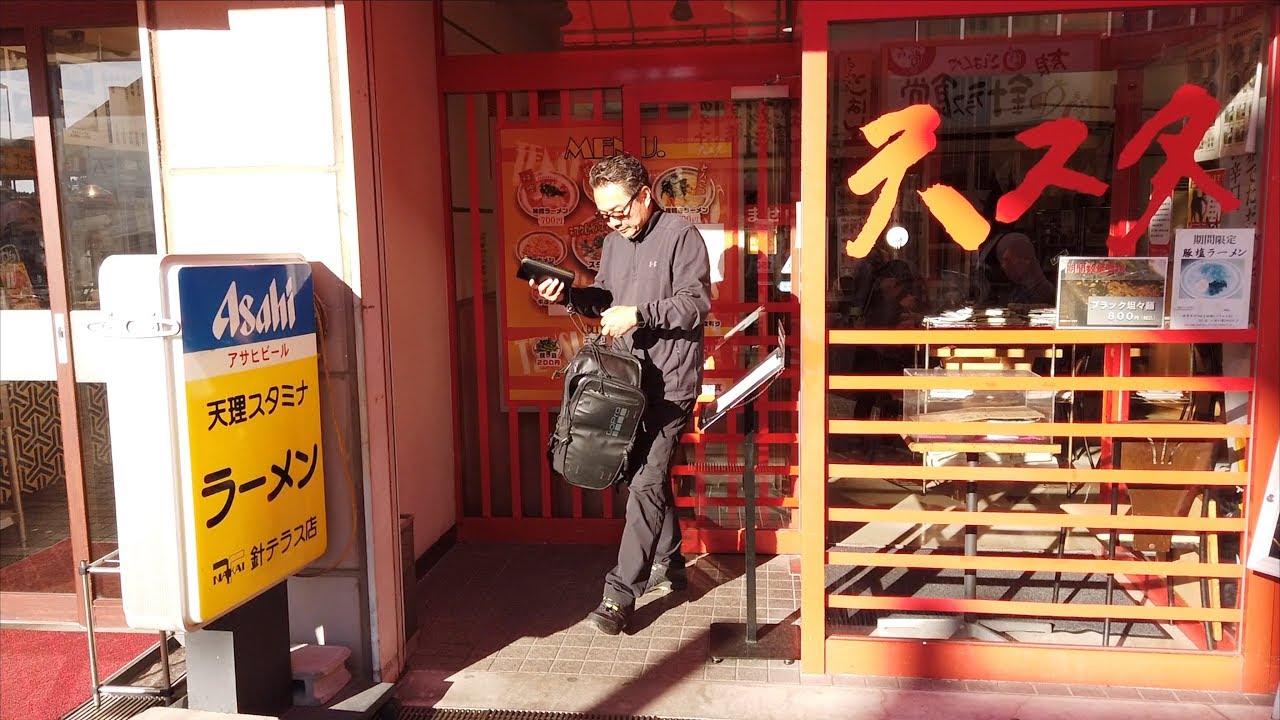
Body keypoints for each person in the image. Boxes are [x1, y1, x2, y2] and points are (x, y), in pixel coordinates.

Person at [530, 153, 711, 635]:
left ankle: (619, 595)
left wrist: (640, 313)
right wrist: (567, 295)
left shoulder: (680, 235)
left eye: (620, 210)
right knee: (643, 480)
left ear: (645, 196)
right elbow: (605, 300)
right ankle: (672, 564)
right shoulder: (613, 242)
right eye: (605, 213)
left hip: (670, 385)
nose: (613, 221)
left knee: (647, 482)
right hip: (625, 382)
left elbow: (695, 305)